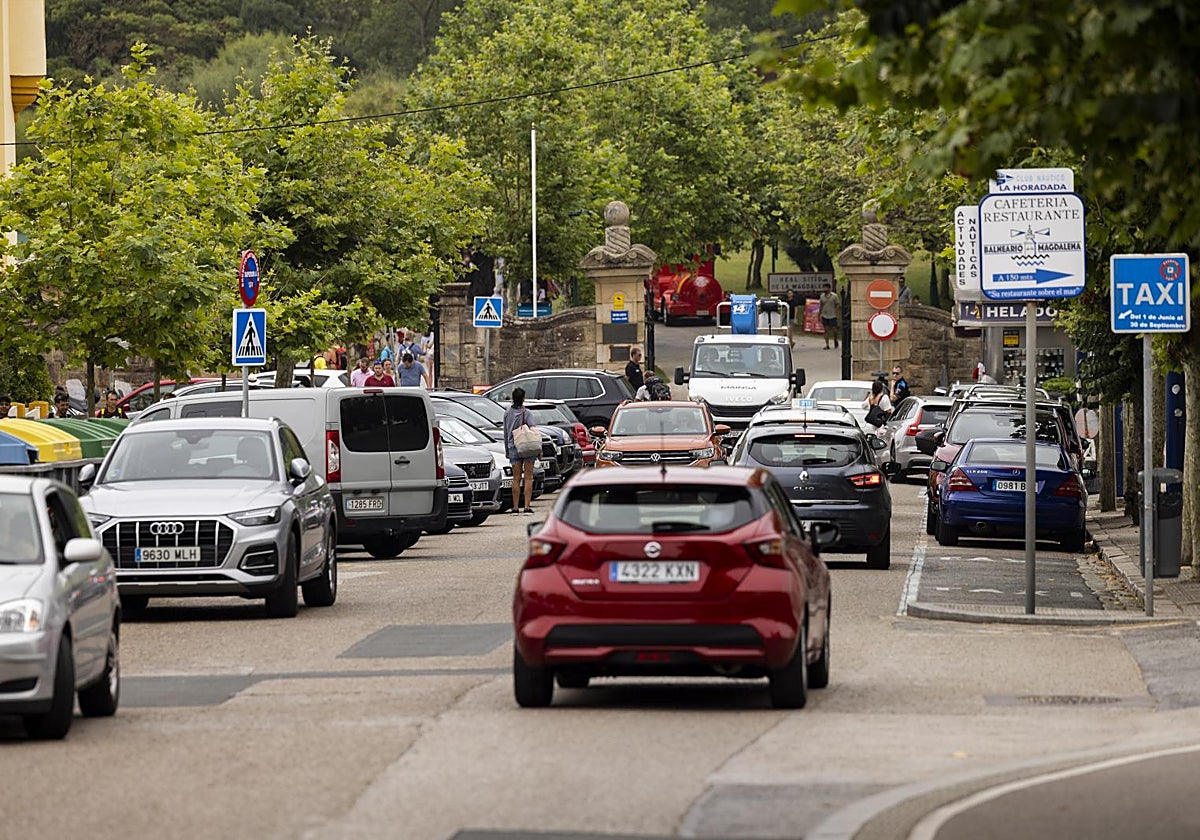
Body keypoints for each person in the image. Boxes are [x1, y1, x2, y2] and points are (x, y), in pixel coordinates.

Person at [503, 387, 537, 514]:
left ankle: (515, 506)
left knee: (516, 478)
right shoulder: (527, 413)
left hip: (513, 447)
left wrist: (507, 449)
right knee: (528, 477)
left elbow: (505, 432)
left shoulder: (507, 413)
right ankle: (527, 506)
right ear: (523, 399)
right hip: (527, 447)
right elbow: (533, 430)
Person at [819, 283, 840, 349]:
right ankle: (827, 344)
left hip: (833, 315)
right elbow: (821, 305)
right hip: (825, 315)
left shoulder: (834, 296)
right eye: (823, 288)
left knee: (835, 330)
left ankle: (835, 340)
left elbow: (837, 305)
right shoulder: (822, 296)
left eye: (825, 288)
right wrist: (819, 314)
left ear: (829, 288)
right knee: (826, 330)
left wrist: (837, 313)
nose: (824, 289)